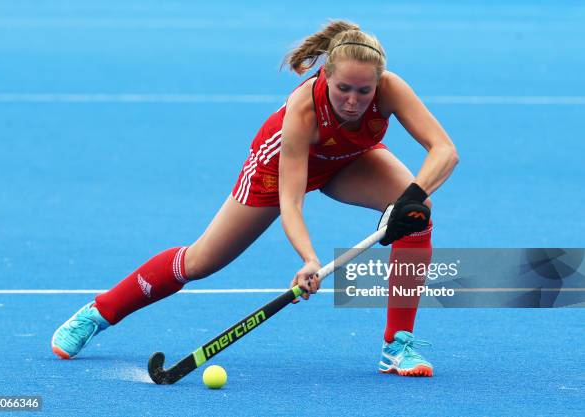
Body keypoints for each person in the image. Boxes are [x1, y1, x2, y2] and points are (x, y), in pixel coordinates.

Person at [51, 20, 458, 377]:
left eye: (364, 91)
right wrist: (309, 260)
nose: (353, 101)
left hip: (349, 161)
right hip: (276, 170)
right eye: (343, 89)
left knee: (416, 215)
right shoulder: (303, 111)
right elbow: (292, 201)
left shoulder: (390, 88)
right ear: (325, 76)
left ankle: (398, 344)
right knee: (201, 261)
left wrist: (412, 197)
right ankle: (99, 312)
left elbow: (444, 150)